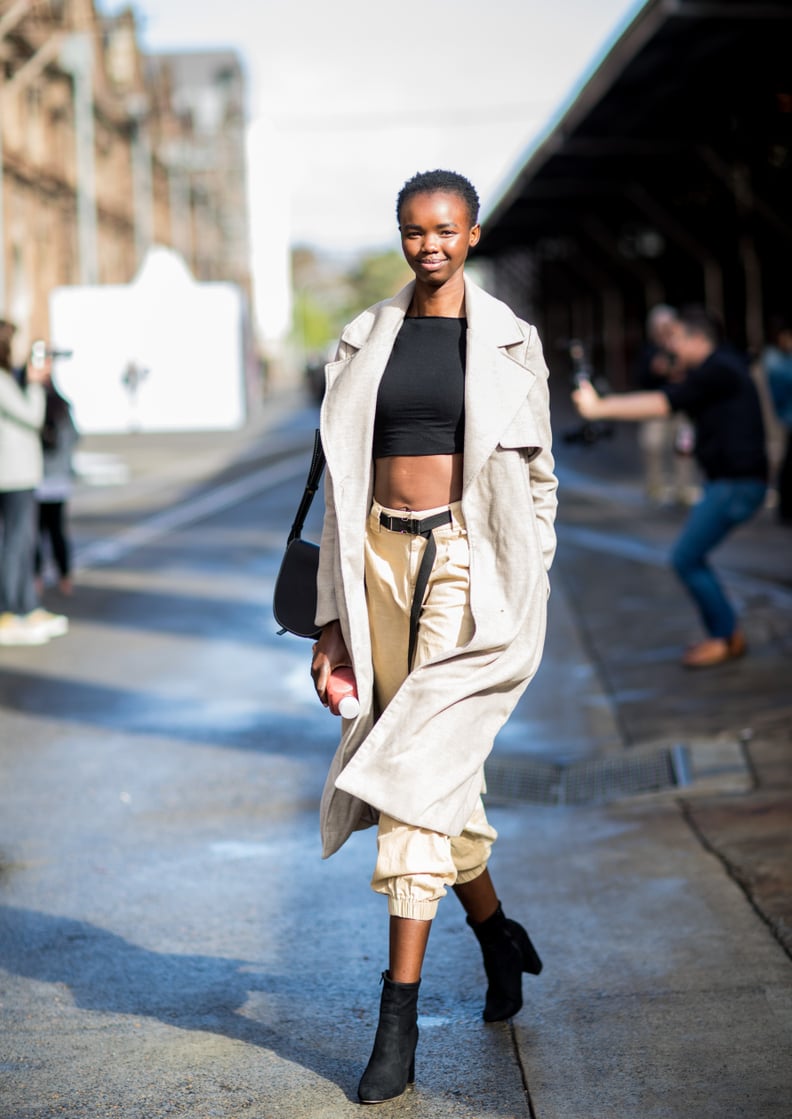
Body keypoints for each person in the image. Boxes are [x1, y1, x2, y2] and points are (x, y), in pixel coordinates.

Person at [310, 170, 557, 1104]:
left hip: (466, 561)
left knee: (415, 779)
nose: (429, 246)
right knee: (436, 770)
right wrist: (333, 613)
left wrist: (529, 567)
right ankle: (497, 932)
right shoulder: (366, 337)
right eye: (414, 231)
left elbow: (537, 480)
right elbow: (338, 481)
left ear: (473, 233)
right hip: (374, 560)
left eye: (446, 229)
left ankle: (397, 1015)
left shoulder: (507, 339)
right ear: (402, 235)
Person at [573, 306, 767, 669]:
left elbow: (662, 403)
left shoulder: (717, 370)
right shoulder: (719, 365)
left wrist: (600, 408)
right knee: (691, 558)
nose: (669, 345)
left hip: (736, 484)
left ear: (697, 338)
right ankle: (726, 634)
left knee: (686, 558)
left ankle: (726, 637)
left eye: (675, 337)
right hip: (729, 482)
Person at [0, 325, 69, 645]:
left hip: (20, 475)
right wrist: (36, 384)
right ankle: (7, 613)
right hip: (10, 476)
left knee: (24, 544)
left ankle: (26, 606)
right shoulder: (3, 382)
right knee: (14, 546)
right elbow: (31, 415)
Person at [634, 304, 698, 505]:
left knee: (684, 448)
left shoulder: (684, 348)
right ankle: (655, 485)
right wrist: (655, 370)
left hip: (681, 408)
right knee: (652, 444)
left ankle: (684, 487)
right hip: (656, 406)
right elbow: (639, 377)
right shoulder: (649, 351)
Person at [35, 346, 80, 594]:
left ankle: (37, 578)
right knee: (57, 531)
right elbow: (75, 437)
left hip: (38, 478)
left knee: (38, 533)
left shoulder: (34, 407)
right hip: (58, 479)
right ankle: (65, 578)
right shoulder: (63, 407)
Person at [762, 321, 792, 525]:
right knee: (786, 464)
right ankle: (785, 508)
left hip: (785, 416)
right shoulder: (773, 359)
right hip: (783, 418)